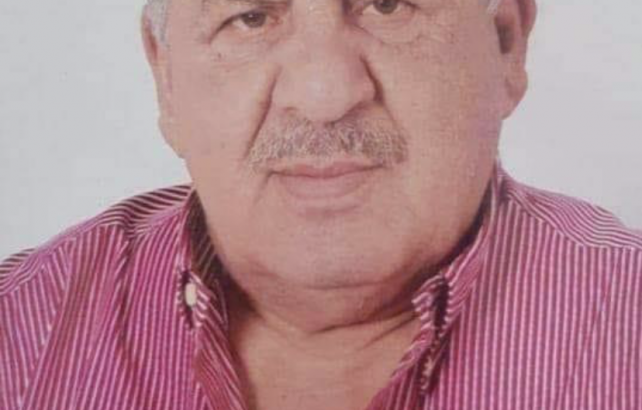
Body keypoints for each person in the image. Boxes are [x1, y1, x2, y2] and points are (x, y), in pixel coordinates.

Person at [1, 0, 640, 408]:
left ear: (506, 45)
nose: (324, 94)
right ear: (165, 75)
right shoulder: (20, 332)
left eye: (388, 5)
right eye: (251, 17)